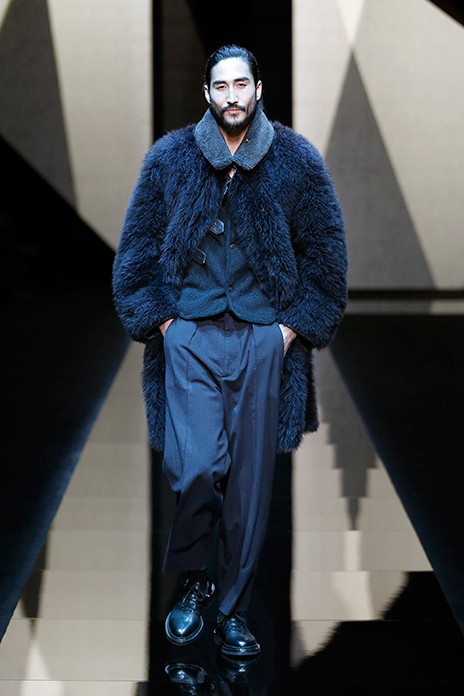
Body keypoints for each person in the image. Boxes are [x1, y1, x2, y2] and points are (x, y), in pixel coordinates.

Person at [112, 44, 348, 658]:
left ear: (258, 89)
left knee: (249, 482)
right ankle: (195, 581)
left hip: (263, 338)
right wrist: (165, 324)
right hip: (189, 335)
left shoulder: (295, 159)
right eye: (221, 87)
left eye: (242, 84)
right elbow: (136, 251)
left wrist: (288, 332)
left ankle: (231, 607)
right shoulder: (170, 159)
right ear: (207, 94)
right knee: (197, 466)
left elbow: (326, 252)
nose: (233, 96)